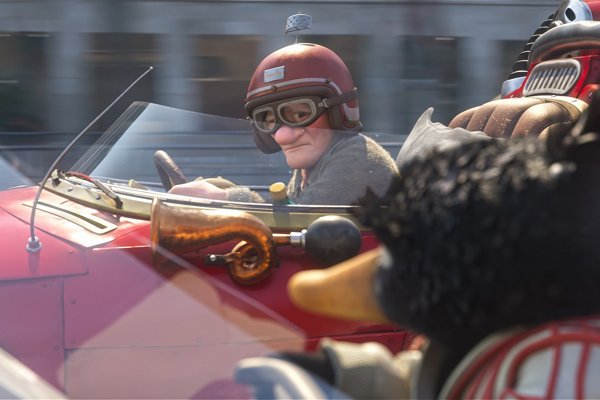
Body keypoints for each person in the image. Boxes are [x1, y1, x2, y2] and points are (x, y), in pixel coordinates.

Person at [169, 42, 399, 205]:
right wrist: (224, 192)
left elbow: (301, 222)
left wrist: (225, 198)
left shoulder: (357, 159)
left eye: (300, 115)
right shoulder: (311, 165)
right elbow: (290, 209)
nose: (282, 136)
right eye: (269, 121)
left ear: (338, 112)